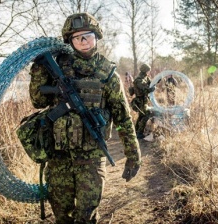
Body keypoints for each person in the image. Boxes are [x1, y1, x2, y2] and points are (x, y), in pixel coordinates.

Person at [29, 12, 141, 224]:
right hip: (59, 157)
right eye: (76, 37)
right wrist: (38, 71)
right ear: (69, 41)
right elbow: (37, 101)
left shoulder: (107, 74)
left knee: (87, 215)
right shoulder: (57, 67)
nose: (83, 41)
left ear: (96, 36)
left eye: (87, 35)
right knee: (62, 215)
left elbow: (123, 118)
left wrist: (133, 155)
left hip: (91, 158)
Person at [131, 63, 155, 139]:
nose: (149, 72)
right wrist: (151, 89)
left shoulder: (145, 77)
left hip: (144, 100)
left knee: (141, 115)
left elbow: (151, 83)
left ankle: (135, 131)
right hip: (140, 100)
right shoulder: (139, 80)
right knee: (146, 114)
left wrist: (157, 80)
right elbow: (143, 90)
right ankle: (139, 133)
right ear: (145, 71)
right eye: (148, 70)